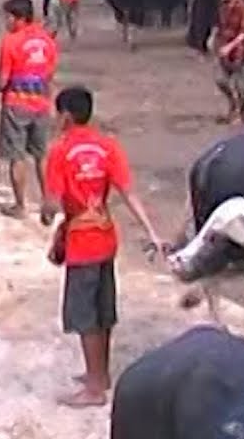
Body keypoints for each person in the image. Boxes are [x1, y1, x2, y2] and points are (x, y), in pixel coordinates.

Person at [40, 85, 167, 408]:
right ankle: (102, 374)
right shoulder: (107, 146)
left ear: (66, 116)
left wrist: (47, 214)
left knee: (85, 317)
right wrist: (153, 233)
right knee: (103, 309)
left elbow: (52, 204)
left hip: (81, 242)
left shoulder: (59, 152)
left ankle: (94, 388)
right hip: (106, 237)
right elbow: (129, 192)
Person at [0, 0, 59, 219]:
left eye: (9, 17)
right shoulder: (47, 40)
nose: (6, 22)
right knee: (41, 155)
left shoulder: (11, 42)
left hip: (17, 104)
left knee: (17, 157)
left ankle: (20, 206)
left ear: (20, 19)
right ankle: (48, 202)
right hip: (42, 103)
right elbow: (49, 75)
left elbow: (2, 82)